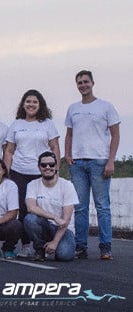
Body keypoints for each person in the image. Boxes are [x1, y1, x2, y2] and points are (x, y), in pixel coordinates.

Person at [65, 70, 120, 260]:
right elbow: (69, 134)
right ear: (77, 85)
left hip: (99, 161)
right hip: (78, 163)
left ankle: (105, 247)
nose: (83, 85)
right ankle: (81, 246)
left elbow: (115, 134)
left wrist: (111, 160)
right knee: (80, 207)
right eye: (79, 82)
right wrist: (68, 155)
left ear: (92, 83)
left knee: (102, 206)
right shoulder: (73, 108)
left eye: (86, 82)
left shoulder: (106, 107)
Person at [4, 89, 60, 258]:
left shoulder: (47, 124)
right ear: (23, 104)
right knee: (22, 209)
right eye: (28, 101)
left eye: (35, 102)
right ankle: (26, 245)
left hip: (41, 173)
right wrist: (7, 174)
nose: (31, 105)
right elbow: (9, 151)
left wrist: (55, 169)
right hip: (19, 172)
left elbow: (55, 147)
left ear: (40, 104)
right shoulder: (16, 124)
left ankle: (42, 245)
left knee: (38, 211)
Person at [24, 152, 78, 262]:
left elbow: (65, 220)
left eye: (51, 164)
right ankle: (40, 249)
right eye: (44, 165)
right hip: (45, 226)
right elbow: (31, 207)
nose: (47, 167)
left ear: (56, 166)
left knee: (64, 255)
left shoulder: (67, 186)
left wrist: (55, 242)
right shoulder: (32, 184)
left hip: (63, 229)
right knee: (30, 219)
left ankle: (55, 246)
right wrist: (54, 217)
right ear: (39, 167)